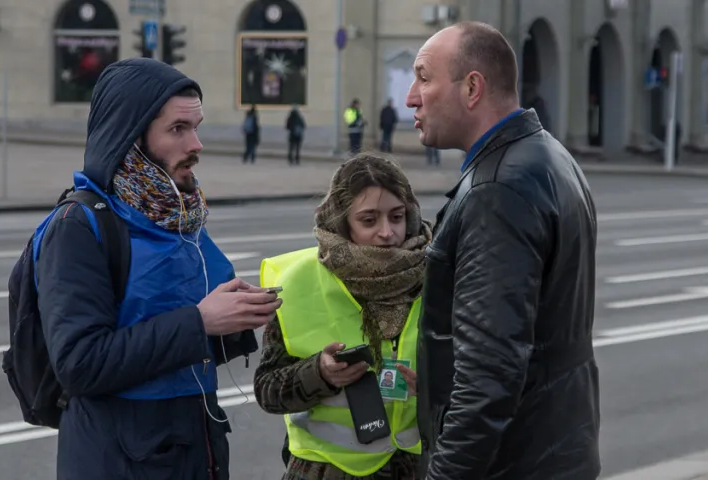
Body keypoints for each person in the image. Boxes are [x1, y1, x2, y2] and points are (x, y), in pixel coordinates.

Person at [33, 58, 282, 479]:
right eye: (178, 130)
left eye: (196, 127)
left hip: (193, 451)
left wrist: (241, 317)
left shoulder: (177, 214)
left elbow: (180, 342)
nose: (197, 145)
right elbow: (79, 363)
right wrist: (201, 322)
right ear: (130, 136)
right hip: (119, 462)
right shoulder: (80, 226)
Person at [405, 21, 600, 479]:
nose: (411, 96)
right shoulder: (549, 155)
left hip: (515, 464)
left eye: (424, 78)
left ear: (472, 88)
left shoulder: (497, 190)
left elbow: (488, 378)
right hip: (557, 448)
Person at [254, 153, 433, 480]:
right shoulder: (299, 282)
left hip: (413, 469)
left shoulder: (437, 278)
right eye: (369, 220)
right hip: (325, 472)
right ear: (342, 222)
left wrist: (433, 390)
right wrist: (319, 373)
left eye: (397, 216)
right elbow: (267, 390)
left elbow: (475, 382)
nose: (387, 232)